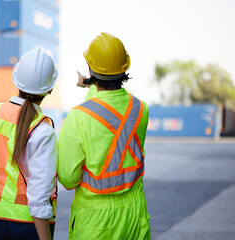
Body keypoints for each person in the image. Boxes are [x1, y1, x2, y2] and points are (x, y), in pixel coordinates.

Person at [57, 32, 151, 239]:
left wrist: (90, 86)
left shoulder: (78, 117)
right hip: (135, 215)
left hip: (96, 223)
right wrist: (93, 86)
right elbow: (112, 110)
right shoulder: (141, 109)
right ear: (125, 67)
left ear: (91, 70)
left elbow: (68, 179)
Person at [0, 48, 58, 240]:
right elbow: (39, 197)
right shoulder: (42, 128)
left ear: (16, 78)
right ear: (50, 88)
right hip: (29, 228)